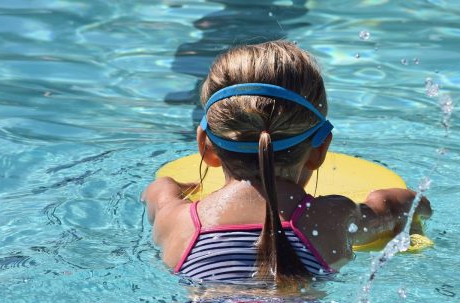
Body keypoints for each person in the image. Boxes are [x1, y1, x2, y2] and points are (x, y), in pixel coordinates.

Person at [144, 40, 432, 289]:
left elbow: (158, 190)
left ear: (205, 148)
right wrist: (416, 205)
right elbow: (398, 206)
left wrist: (178, 186)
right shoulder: (330, 217)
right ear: (320, 150)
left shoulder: (177, 221)